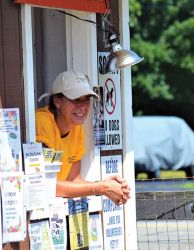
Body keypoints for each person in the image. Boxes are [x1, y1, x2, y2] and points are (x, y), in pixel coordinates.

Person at [36, 69, 130, 205]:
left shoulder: (76, 127)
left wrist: (107, 187)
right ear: (57, 101)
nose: (82, 107)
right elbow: (45, 185)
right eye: (75, 100)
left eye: (86, 100)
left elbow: (74, 180)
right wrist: (101, 188)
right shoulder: (43, 122)